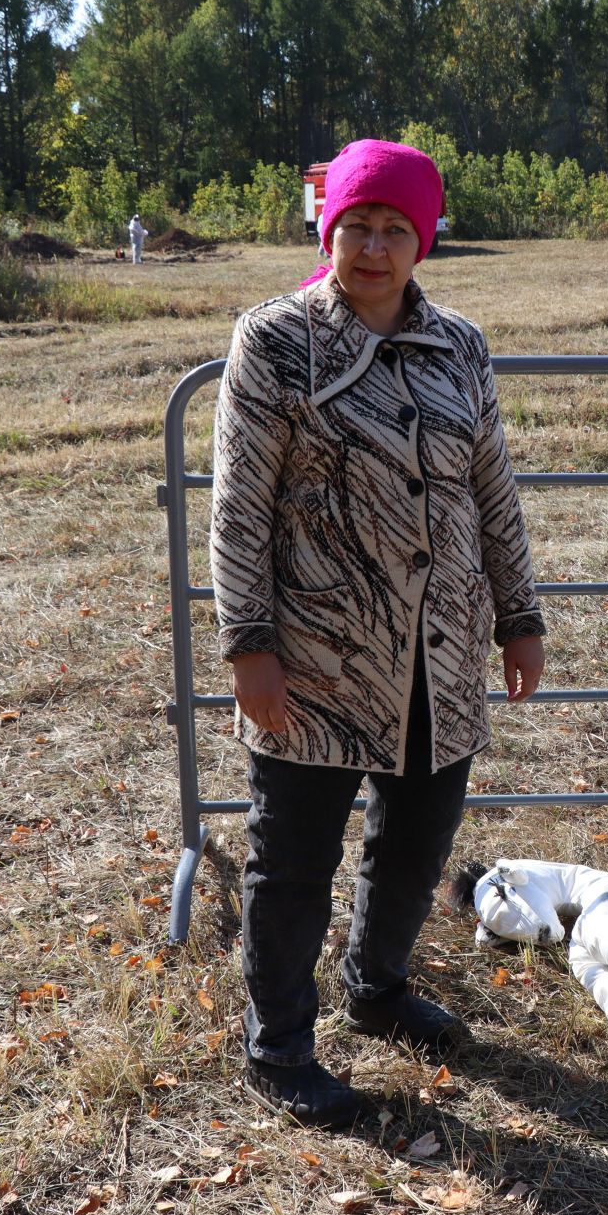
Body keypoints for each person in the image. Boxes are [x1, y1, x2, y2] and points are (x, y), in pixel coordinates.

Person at [209, 139, 547, 1128]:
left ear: (423, 239)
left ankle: (377, 985)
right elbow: (237, 510)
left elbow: (494, 492)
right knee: (294, 860)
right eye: (357, 224)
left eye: (396, 227)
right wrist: (249, 644)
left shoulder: (463, 347)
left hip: (439, 657)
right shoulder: (274, 342)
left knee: (415, 844)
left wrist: (518, 616)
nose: (373, 245)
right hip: (313, 657)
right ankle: (277, 1047)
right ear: (330, 229)